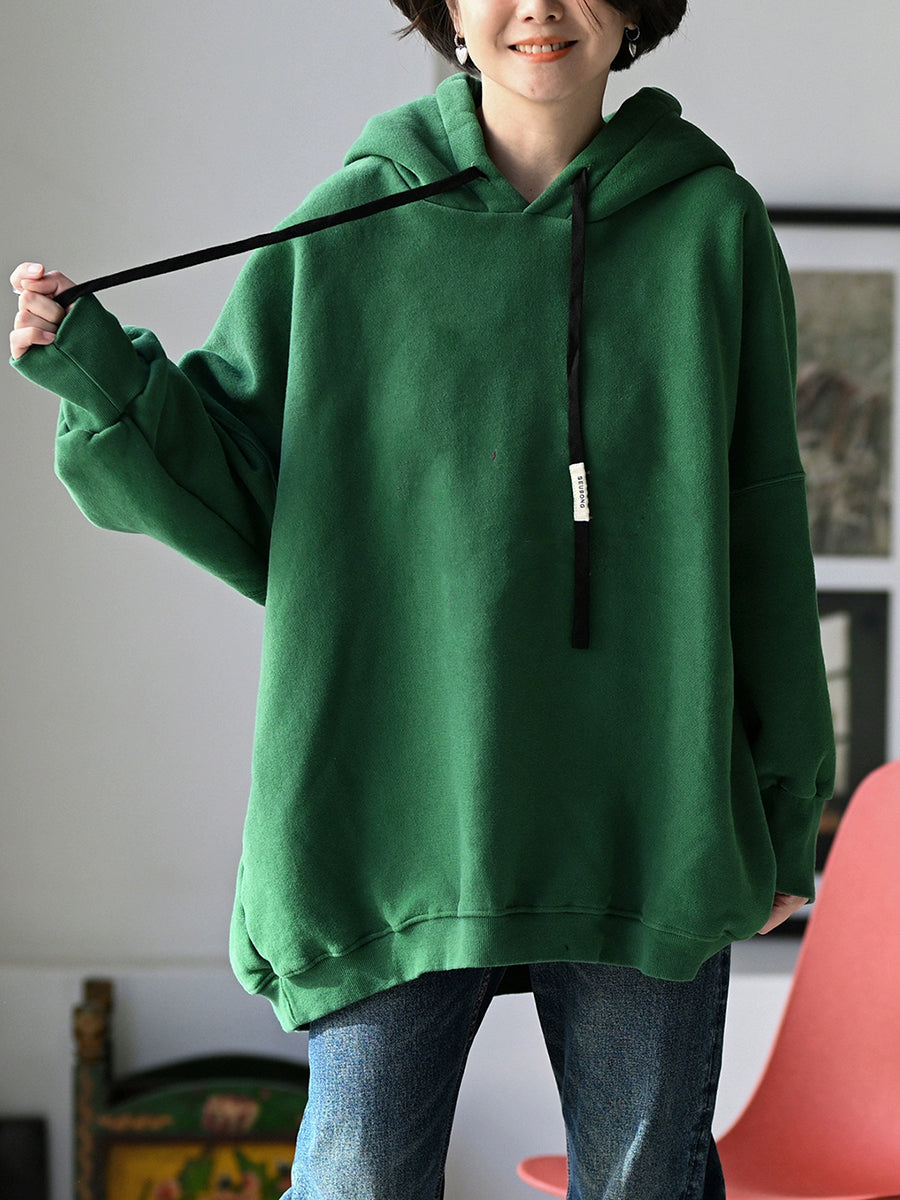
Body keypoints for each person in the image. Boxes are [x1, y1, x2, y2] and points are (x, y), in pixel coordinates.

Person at [9, 1, 835, 1197]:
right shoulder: (350, 224)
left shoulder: (713, 226)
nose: (538, 6)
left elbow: (762, 522)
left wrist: (784, 793)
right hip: (393, 807)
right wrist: (100, 372)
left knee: (644, 1183)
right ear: (447, 7)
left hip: (649, 807)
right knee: (357, 1177)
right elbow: (239, 493)